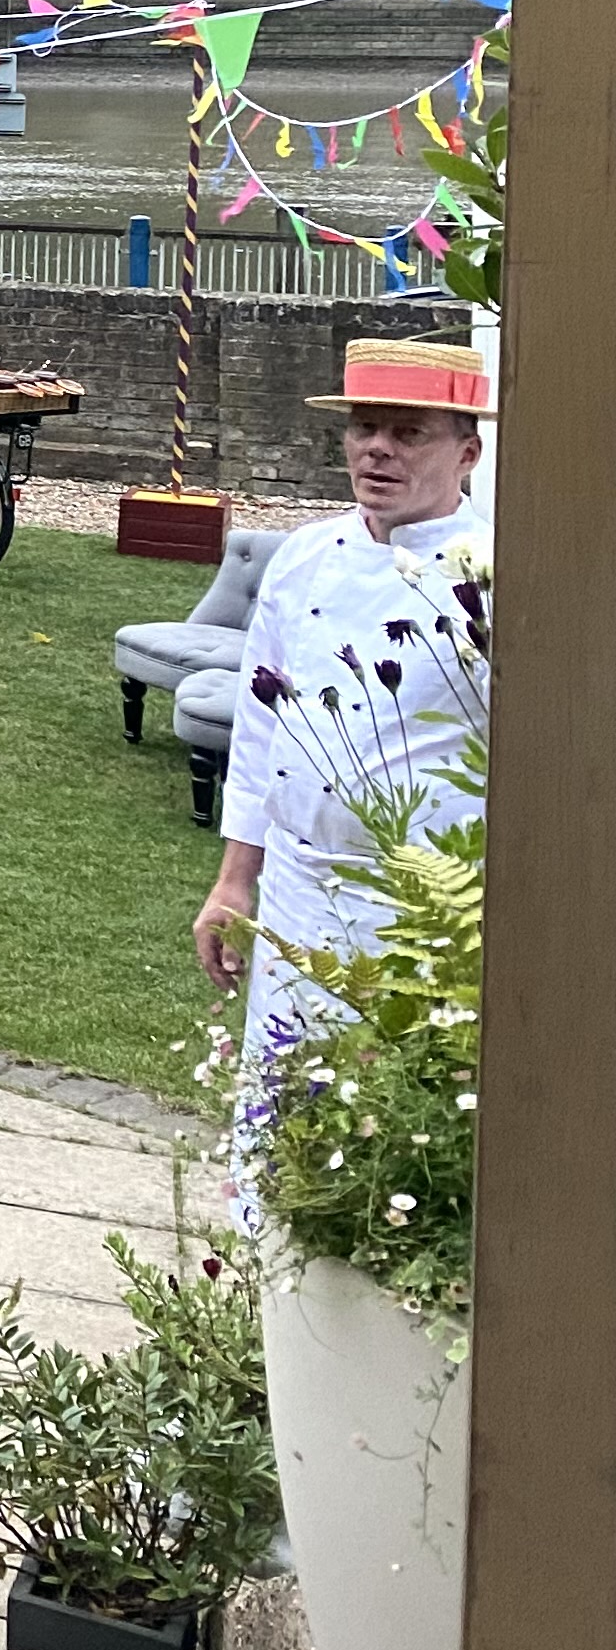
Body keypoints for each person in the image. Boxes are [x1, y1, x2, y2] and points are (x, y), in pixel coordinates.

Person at [192, 335, 495, 1087]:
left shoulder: (494, 575)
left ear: (468, 453)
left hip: (426, 905)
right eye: (365, 428)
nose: (378, 450)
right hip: (297, 887)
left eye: (409, 433)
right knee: (282, 1105)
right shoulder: (303, 555)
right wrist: (236, 880)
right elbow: (263, 729)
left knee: (388, 1114)